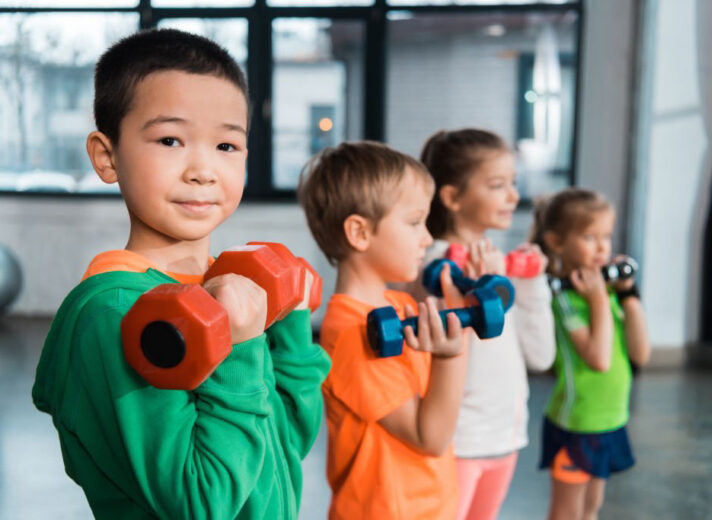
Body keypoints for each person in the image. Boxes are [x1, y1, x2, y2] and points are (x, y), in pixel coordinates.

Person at [32, 28, 330, 519]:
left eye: (227, 146)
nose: (203, 170)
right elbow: (202, 504)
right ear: (107, 157)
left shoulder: (231, 289)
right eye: (170, 140)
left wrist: (292, 326)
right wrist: (241, 347)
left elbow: (285, 445)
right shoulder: (112, 314)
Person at [298, 141, 470, 519]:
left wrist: (462, 311)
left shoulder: (400, 303)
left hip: (429, 506)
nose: (427, 238)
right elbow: (430, 437)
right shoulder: (352, 333)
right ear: (359, 232)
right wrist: (452, 356)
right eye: (414, 223)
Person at [415, 128, 556, 519]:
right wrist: (483, 287)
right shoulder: (432, 266)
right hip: (458, 440)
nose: (513, 196)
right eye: (497, 185)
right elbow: (440, 348)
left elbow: (541, 357)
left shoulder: (501, 264)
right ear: (452, 197)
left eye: (513, 182)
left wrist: (532, 283)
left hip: (505, 437)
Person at [531, 188, 650, 520]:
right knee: (567, 513)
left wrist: (628, 296)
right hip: (578, 422)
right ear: (556, 242)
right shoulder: (566, 299)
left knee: (591, 509)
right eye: (589, 237)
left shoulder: (608, 293)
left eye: (606, 237)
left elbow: (640, 354)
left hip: (611, 419)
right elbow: (599, 359)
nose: (602, 247)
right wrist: (598, 299)